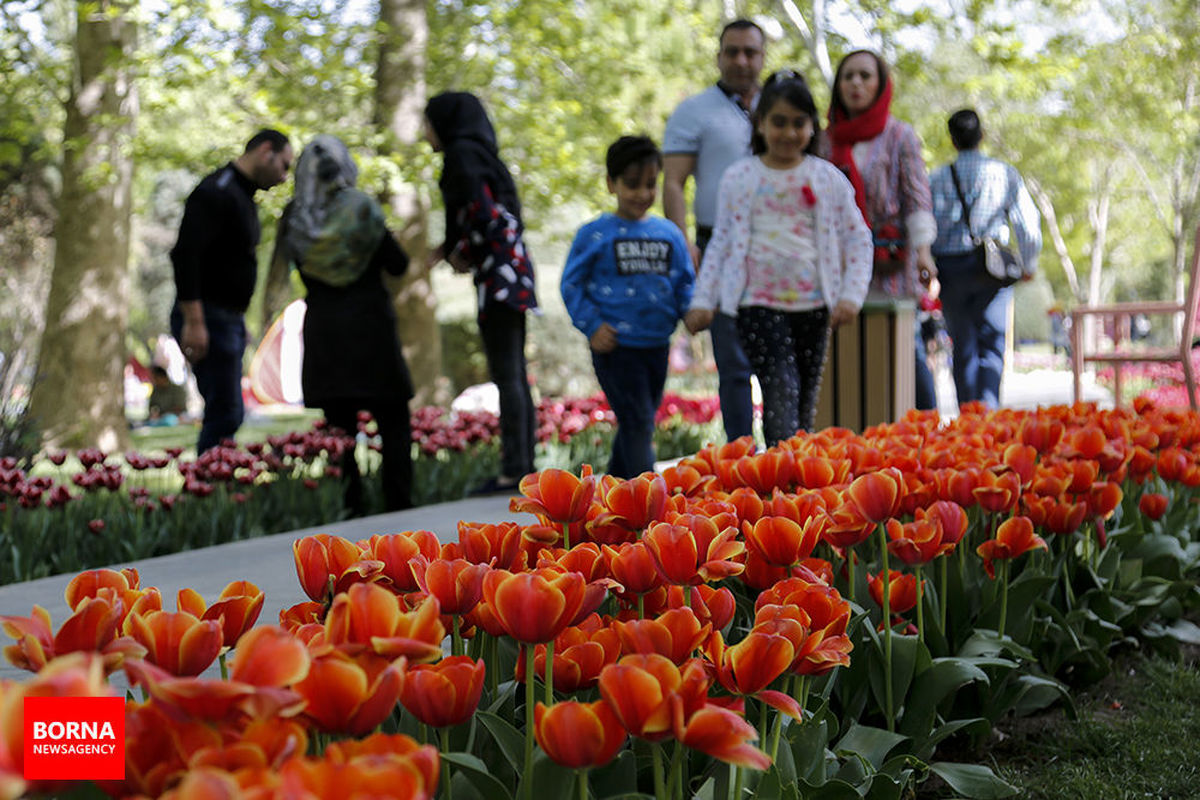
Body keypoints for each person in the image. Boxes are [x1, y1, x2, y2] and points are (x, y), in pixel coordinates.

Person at [685, 72, 873, 446]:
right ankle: (779, 480)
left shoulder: (828, 178)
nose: (788, 133)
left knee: (802, 405)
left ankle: (797, 492)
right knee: (780, 391)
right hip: (756, 305)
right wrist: (703, 301)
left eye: (798, 123)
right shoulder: (740, 177)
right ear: (761, 124)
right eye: (779, 122)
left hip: (815, 306)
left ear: (812, 126)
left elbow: (858, 238)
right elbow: (720, 242)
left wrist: (851, 295)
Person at [276, 134, 414, 513]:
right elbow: (398, 264)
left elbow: (284, 271)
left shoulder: (295, 217)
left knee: (339, 431)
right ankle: (400, 507)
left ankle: (349, 509)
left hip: (326, 333)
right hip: (372, 330)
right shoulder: (362, 209)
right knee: (394, 424)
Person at [424, 91, 538, 495]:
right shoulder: (489, 158)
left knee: (506, 372)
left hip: (496, 276)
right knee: (515, 374)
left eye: (428, 122)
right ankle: (525, 465)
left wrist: (459, 252)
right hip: (516, 271)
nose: (425, 133)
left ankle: (514, 471)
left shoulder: (460, 157)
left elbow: (477, 211)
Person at [561, 136, 695, 477]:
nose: (642, 193)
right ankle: (647, 502)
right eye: (632, 184)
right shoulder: (594, 234)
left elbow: (684, 284)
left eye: (650, 184)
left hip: (656, 346)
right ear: (611, 183)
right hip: (616, 348)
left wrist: (693, 312)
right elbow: (571, 284)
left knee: (640, 421)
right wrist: (592, 325)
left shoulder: (669, 234)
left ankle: (614, 496)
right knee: (637, 422)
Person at [662, 19, 765, 443]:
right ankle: (742, 461)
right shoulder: (694, 110)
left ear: (762, 57)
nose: (741, 60)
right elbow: (672, 182)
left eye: (750, 52)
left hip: (780, 250)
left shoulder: (781, 108)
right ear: (719, 56)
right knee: (734, 364)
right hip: (716, 247)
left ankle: (793, 458)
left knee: (783, 360)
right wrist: (683, 245)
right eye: (732, 51)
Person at [827, 50, 939, 411]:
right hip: (839, 264)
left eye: (865, 76)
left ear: (880, 84)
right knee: (846, 348)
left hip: (888, 261)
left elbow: (916, 196)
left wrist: (923, 252)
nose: (856, 84)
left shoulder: (900, 135)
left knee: (904, 346)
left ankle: (925, 432)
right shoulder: (825, 140)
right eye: (848, 77)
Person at [170, 129, 293, 453]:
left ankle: (213, 483)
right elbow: (186, 256)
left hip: (226, 319)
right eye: (284, 165)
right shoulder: (217, 191)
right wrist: (195, 322)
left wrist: (238, 324)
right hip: (208, 316)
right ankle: (207, 488)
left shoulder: (242, 195)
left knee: (229, 413)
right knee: (225, 414)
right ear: (266, 151)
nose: (284, 177)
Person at [930, 108, 1041, 409]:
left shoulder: (937, 178)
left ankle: (968, 420)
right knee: (991, 345)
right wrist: (1028, 265)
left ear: (952, 140)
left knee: (962, 345)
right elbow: (1028, 226)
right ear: (982, 136)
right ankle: (990, 419)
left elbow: (925, 227)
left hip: (950, 271)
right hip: (992, 270)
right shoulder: (1004, 173)